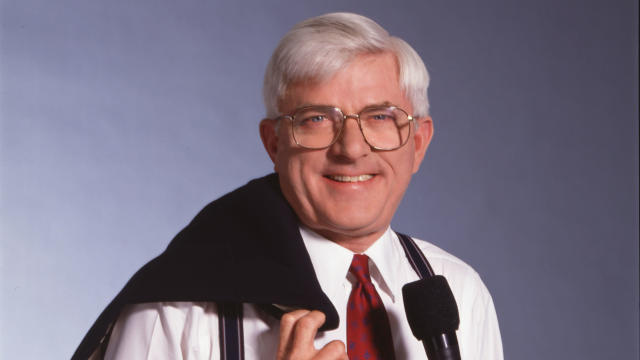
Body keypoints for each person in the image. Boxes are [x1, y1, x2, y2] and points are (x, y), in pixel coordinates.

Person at [73, 12, 503, 360]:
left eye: (380, 117)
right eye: (317, 119)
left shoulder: (460, 291)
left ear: (419, 143)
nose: (352, 149)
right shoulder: (175, 311)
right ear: (273, 143)